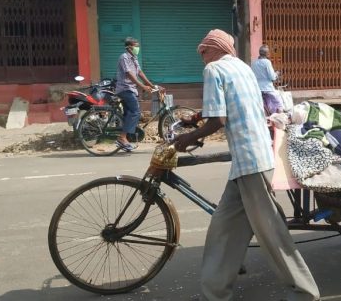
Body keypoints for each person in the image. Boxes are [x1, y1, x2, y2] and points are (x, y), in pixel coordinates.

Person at [173, 30, 319, 301]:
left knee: (271, 231)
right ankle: (215, 291)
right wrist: (198, 118)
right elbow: (233, 105)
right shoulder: (242, 67)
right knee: (224, 225)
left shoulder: (214, 69)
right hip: (252, 157)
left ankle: (304, 291)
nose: (202, 59)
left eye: (203, 52)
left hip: (250, 160)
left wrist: (188, 137)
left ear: (214, 50)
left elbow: (218, 119)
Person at [114, 37, 156, 152]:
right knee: (135, 112)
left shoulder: (134, 58)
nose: (137, 48)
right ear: (129, 47)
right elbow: (129, 74)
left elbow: (139, 73)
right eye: (135, 46)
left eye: (138, 46)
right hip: (125, 89)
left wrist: (151, 85)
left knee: (129, 113)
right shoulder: (124, 57)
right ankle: (122, 138)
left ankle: (124, 138)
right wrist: (142, 86)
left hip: (131, 89)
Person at [251, 44, 283, 115]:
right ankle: (281, 117)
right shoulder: (267, 62)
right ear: (267, 54)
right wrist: (277, 74)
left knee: (263, 104)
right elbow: (272, 76)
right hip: (267, 88)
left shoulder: (253, 62)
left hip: (257, 88)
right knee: (278, 103)